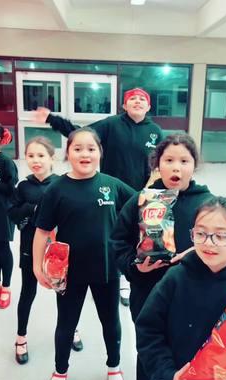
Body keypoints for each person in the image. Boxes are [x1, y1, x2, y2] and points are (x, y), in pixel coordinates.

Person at [33, 87, 163, 306]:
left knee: (133, 235)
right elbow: (80, 134)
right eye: (132, 98)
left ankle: (128, 275)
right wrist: (52, 119)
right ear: (124, 105)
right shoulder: (111, 124)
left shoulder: (156, 132)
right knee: (112, 236)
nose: (138, 101)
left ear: (148, 106)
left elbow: (161, 162)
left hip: (136, 195)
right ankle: (118, 279)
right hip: (108, 192)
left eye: (143, 99)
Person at [33, 127, 135, 380]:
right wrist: (36, 267)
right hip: (68, 273)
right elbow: (42, 231)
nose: (85, 153)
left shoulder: (112, 184)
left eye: (91, 148)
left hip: (107, 269)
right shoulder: (56, 189)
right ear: (68, 153)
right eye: (78, 148)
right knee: (66, 324)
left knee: (111, 321)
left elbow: (141, 205)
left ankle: (114, 367)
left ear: (100, 152)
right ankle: (60, 371)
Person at [136, 196, 226, 380]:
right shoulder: (174, 279)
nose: (209, 243)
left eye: (221, 236)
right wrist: (170, 376)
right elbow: (149, 330)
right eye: (201, 233)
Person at [110, 134, 213, 380]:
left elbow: (223, 246)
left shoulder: (208, 205)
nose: (176, 167)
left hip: (189, 295)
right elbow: (117, 241)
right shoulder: (142, 200)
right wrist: (134, 268)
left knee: (181, 352)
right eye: (169, 160)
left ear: (194, 165)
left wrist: (199, 253)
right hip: (147, 292)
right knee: (148, 350)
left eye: (184, 161)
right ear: (158, 164)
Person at [8, 136, 82, 366]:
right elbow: (12, 213)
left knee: (65, 295)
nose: (35, 160)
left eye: (41, 156)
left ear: (52, 159)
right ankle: (21, 337)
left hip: (59, 251)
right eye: (31, 156)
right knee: (27, 293)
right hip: (31, 249)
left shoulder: (61, 184)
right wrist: (33, 208)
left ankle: (72, 329)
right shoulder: (23, 186)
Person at [0, 122, 18, 309]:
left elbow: (12, 189)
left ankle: (6, 287)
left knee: (2, 249)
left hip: (2, 212)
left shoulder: (6, 162)